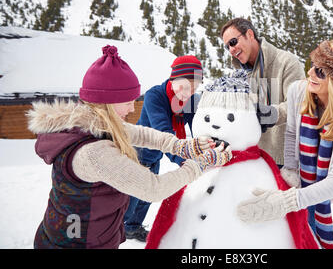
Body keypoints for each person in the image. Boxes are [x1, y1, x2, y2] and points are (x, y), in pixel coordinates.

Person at [28, 45, 231, 249]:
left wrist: (184, 146)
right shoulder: (94, 154)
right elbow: (154, 188)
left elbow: (142, 133)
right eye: (128, 101)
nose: (133, 109)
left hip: (92, 236)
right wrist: (198, 165)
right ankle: (130, 226)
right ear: (107, 101)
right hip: (76, 244)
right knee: (135, 200)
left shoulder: (97, 124)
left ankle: (131, 226)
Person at [236, 39, 333, 249]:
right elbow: (291, 133)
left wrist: (286, 201)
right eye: (313, 66)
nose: (310, 74)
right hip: (317, 177)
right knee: (308, 230)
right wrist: (290, 168)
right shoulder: (298, 91)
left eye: (320, 72)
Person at [123, 55, 204, 242]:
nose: (188, 93)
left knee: (148, 197)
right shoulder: (155, 96)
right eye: (184, 86)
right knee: (131, 198)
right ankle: (116, 232)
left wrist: (204, 148)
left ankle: (133, 228)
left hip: (155, 156)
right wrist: (184, 160)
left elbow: (197, 128)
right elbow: (163, 133)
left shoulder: (190, 100)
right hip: (137, 153)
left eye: (194, 88)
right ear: (174, 79)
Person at [220, 17, 305, 167]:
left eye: (233, 42)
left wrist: (273, 114)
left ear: (250, 35)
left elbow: (300, 104)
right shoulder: (238, 75)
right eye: (227, 47)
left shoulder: (287, 62)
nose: (231, 50)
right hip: (251, 157)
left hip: (283, 159)